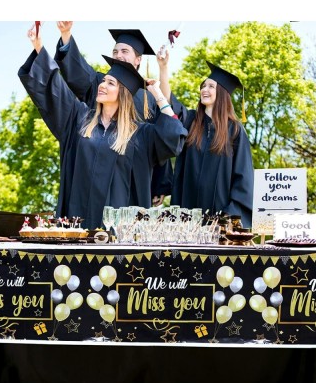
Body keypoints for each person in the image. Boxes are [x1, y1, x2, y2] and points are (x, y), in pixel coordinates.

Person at [18, 25, 186, 230]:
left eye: (110, 83)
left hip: (120, 232)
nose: (102, 84)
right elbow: (55, 88)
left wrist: (158, 94)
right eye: (103, 80)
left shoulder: (140, 134)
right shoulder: (80, 119)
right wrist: (39, 48)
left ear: (123, 92)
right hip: (78, 226)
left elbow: (172, 134)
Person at [54, 22, 172, 207]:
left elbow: (159, 138)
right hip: (95, 170)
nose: (118, 55)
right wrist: (66, 35)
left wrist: (159, 185)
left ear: (138, 59)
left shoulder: (148, 96)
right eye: (115, 52)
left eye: (125, 51)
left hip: (132, 177)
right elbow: (78, 71)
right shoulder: (100, 83)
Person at [157, 51, 254, 228]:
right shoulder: (191, 121)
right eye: (203, 86)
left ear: (223, 94)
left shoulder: (235, 131)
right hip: (187, 222)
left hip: (219, 224)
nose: (204, 90)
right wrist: (163, 68)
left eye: (211, 86)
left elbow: (243, 180)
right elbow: (167, 104)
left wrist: (226, 220)